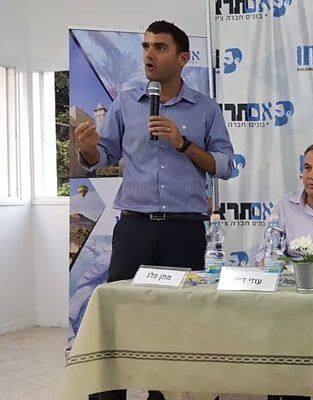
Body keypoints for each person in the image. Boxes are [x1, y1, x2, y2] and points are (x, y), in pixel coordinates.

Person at [75, 20, 234, 400]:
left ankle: (165, 394)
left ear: (183, 58)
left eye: (160, 47)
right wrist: (89, 150)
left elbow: (225, 165)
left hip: (184, 230)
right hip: (135, 228)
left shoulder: (205, 108)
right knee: (118, 318)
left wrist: (183, 143)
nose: (149, 54)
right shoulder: (126, 101)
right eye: (146, 46)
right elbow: (104, 156)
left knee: (179, 321)